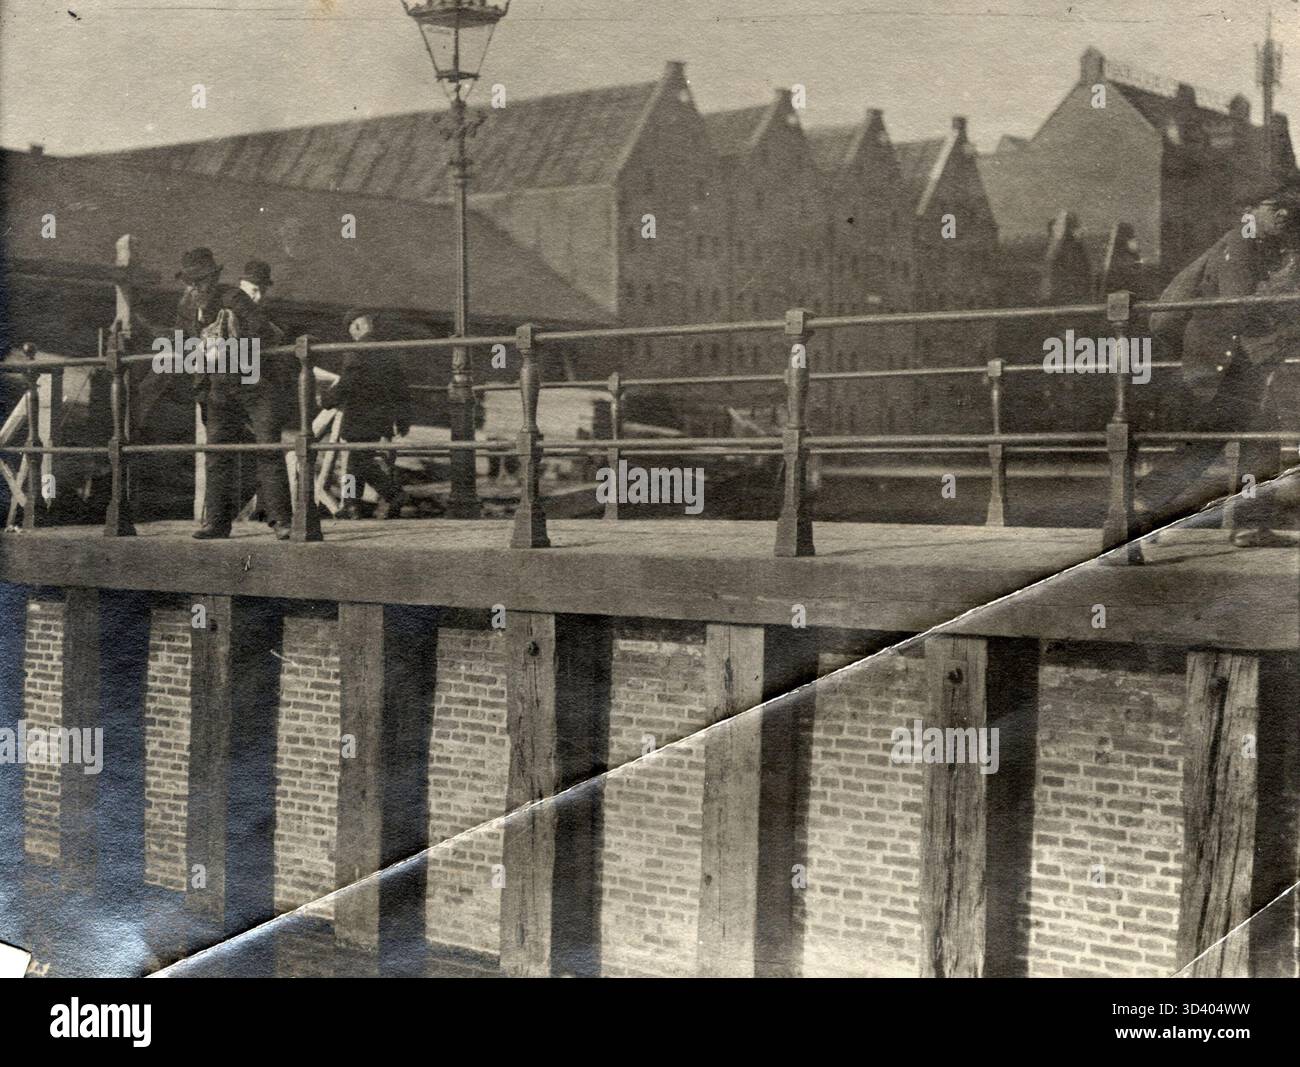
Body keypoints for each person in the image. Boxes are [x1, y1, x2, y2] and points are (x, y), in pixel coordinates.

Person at [1136, 178, 1300, 549]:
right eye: (1279, 213)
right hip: (1221, 362)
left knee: (1250, 438)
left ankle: (1248, 523)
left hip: (1231, 360)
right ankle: (1142, 505)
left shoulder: (1255, 244)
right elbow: (1237, 307)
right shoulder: (1241, 244)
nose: (1284, 221)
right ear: (1261, 209)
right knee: (1224, 439)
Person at [192, 259, 293, 540]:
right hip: (221, 389)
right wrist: (203, 391)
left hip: (258, 387)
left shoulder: (257, 309)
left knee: (268, 449)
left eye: (262, 290)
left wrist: (231, 349)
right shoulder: (207, 305)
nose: (257, 296)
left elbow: (264, 336)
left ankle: (283, 521)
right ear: (240, 285)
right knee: (216, 454)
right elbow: (192, 347)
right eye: (252, 289)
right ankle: (216, 522)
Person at [324, 309, 411, 519]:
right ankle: (351, 505)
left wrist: (327, 399)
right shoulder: (391, 351)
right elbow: (401, 387)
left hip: (360, 414)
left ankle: (393, 494)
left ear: (357, 326)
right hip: (382, 416)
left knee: (359, 461)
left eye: (351, 331)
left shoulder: (358, 349)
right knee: (358, 459)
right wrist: (402, 418)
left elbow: (348, 381)